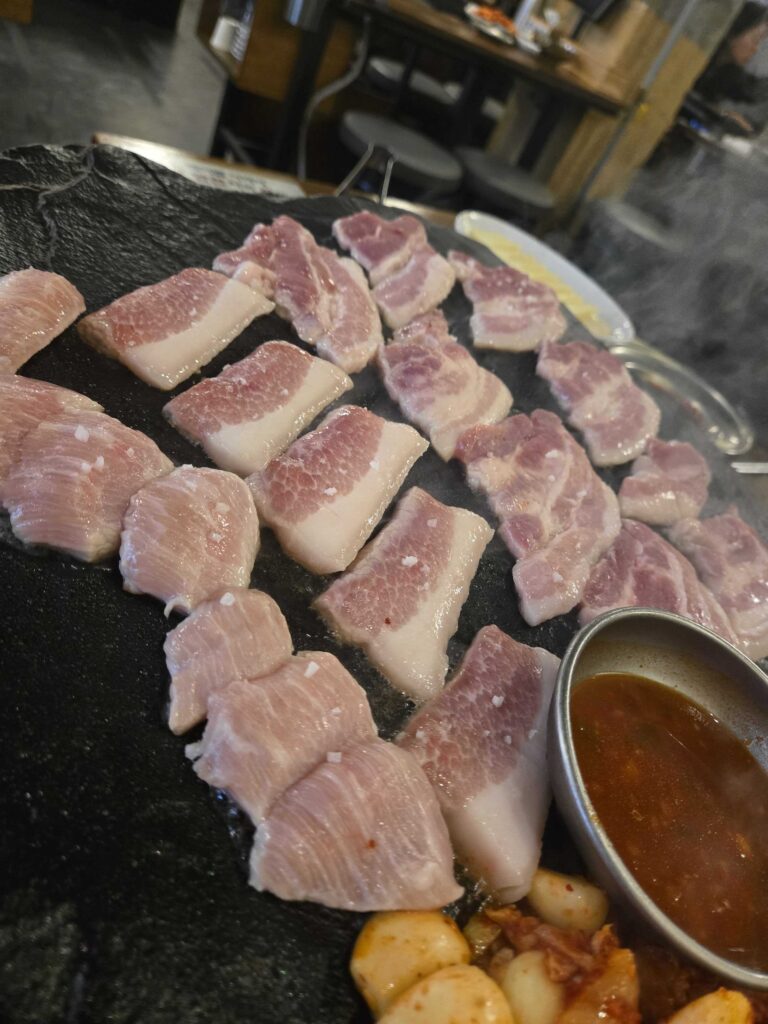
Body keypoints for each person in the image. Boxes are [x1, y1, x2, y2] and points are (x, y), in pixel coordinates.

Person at [694, 1, 768, 133]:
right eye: (755, 40)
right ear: (734, 33)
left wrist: (725, 115)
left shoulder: (731, 77)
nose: (755, 50)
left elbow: (751, 120)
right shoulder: (695, 57)